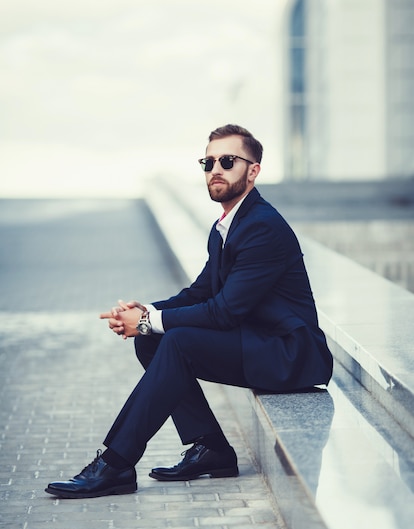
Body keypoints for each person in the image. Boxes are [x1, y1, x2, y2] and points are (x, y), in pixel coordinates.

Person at [45, 124, 333, 499]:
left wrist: (148, 321)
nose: (216, 169)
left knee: (176, 340)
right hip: (259, 341)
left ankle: (115, 463)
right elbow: (200, 292)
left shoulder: (263, 227)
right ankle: (210, 448)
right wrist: (145, 312)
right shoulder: (228, 225)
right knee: (152, 342)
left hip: (291, 354)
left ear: (253, 170)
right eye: (208, 161)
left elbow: (225, 312)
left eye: (228, 161)